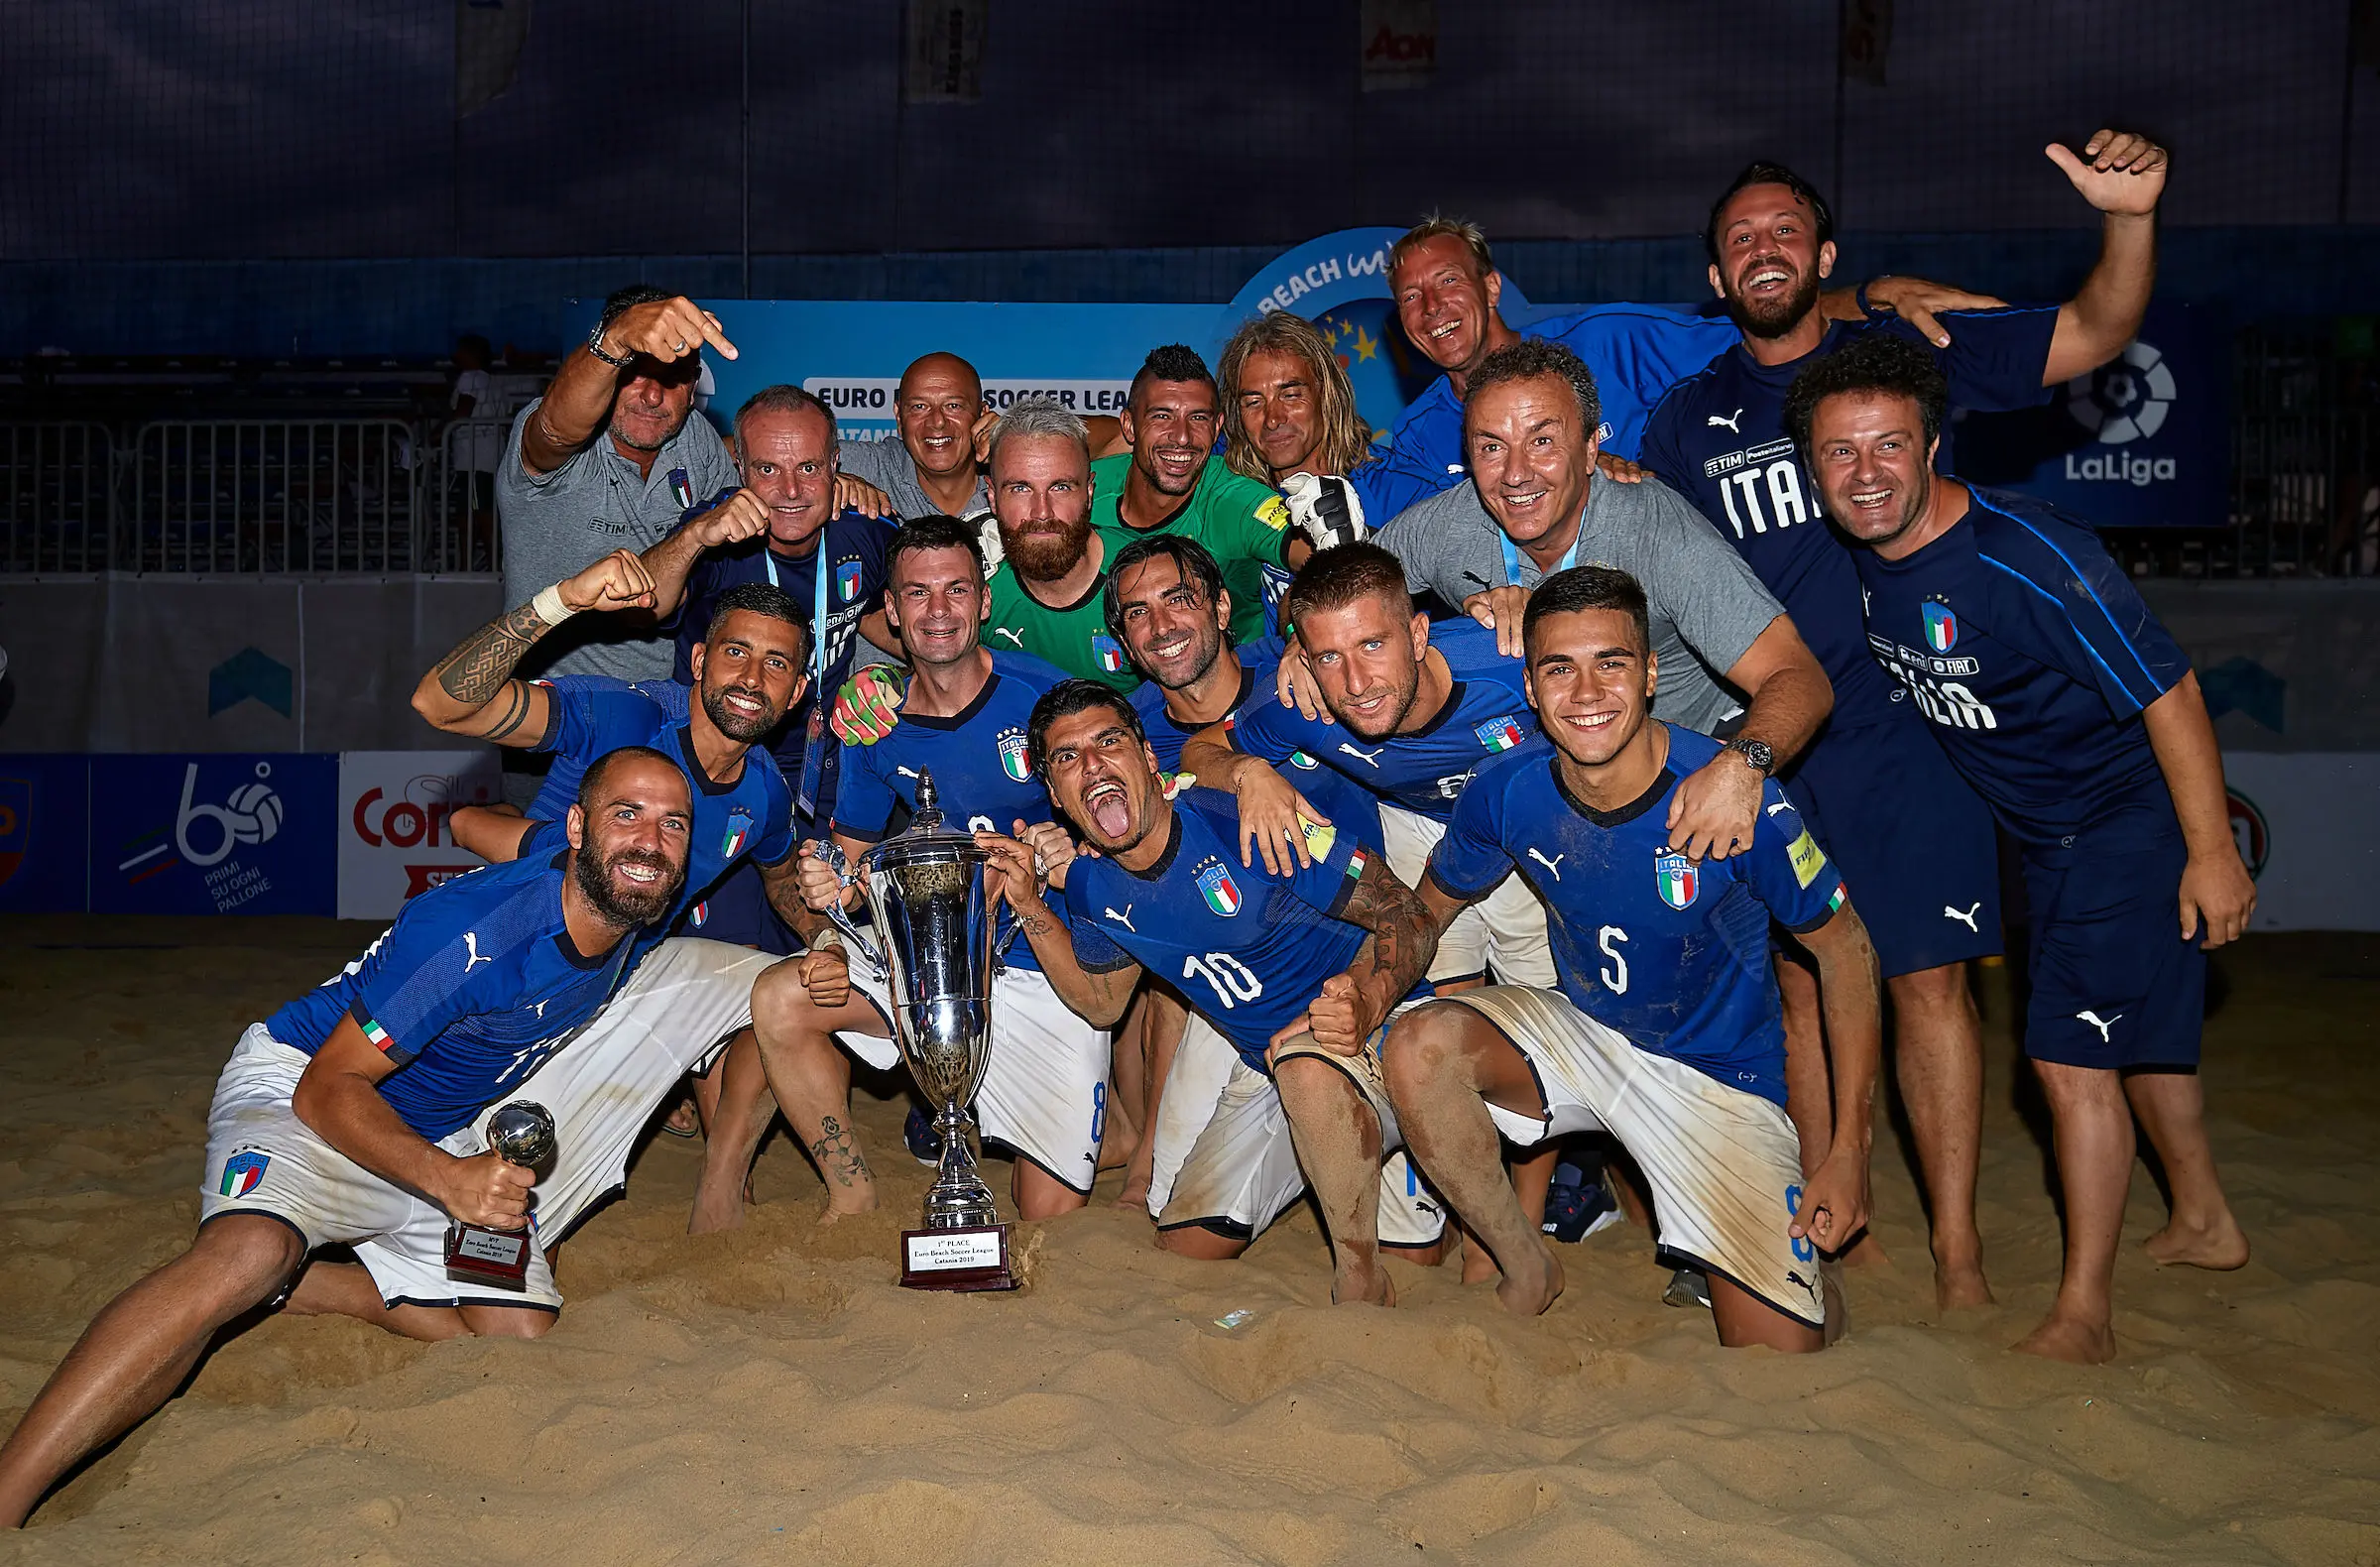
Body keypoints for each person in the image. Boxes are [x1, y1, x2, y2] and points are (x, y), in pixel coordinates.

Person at [1635, 131, 2170, 1309]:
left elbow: (2094, 332)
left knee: (1931, 983)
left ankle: (1959, 1254)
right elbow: (1655, 564)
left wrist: (2128, 221)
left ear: (1824, 254)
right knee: (1799, 984)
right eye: (1740, 241)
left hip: (1899, 728)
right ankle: (1840, 1215)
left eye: (1785, 231)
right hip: (1764, 732)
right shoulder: (1684, 421)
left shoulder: (1903, 352)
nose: (1762, 250)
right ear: (1717, 281)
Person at [0, 748, 776, 1527]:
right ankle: (11, 1494)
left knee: (514, 1337)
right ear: (577, 829)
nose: (649, 841)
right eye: (626, 815)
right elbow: (326, 1087)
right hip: (311, 1089)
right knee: (246, 1252)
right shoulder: (473, 934)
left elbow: (502, 832)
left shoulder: (633, 901)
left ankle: (304, 1287)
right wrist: (449, 1178)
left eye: (671, 823)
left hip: (431, 1129)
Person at [1791, 334, 2251, 1364]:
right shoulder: (1867, 560)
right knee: (2134, 1030)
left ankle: (2084, 1310)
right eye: (1840, 453)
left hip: (2124, 819)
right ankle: (2206, 1216)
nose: (1866, 472)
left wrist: (2210, 846)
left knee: (2065, 1057)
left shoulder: (2028, 557)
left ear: (1934, 445)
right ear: (1811, 468)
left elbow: (2170, 687)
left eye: (1888, 445)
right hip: (2043, 834)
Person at [1387, 565, 1880, 1352]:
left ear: (1650, 674)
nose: (1585, 692)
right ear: (1531, 684)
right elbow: (1424, 915)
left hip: (1720, 1082)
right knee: (1417, 1045)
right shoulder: (1507, 790)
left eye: (1610, 663)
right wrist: (1352, 988)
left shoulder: (1734, 797)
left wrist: (1849, 1152)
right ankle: (1521, 1259)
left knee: (1780, 1353)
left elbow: (1848, 953)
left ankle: (1778, 1259)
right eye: (1559, 668)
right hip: (1589, 1044)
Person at [410, 559, 815, 1234]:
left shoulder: (766, 791)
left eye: (775, 664)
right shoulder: (621, 711)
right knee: (501, 1251)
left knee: (787, 989)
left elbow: (777, 873)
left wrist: (827, 931)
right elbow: (441, 705)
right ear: (698, 659)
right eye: (736, 652)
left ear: (798, 690)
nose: (750, 678)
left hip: (615, 980)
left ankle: (722, 1187)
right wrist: (557, 600)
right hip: (506, 982)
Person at [1022, 681, 1444, 1304]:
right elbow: (1105, 1004)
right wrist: (1032, 905)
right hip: (1268, 1068)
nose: (1092, 766)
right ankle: (1327, 1155)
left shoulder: (1238, 817)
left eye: (1109, 743)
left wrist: (1366, 996)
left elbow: (1406, 913)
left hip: (1379, 1027)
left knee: (1419, 1257)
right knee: (1183, 1249)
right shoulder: (1088, 887)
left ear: (1146, 754)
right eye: (1067, 758)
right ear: (1055, 795)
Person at [748, 516, 1106, 1222]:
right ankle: (851, 1190)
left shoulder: (1046, 699)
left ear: (983, 600)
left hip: (1040, 969)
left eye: (955, 591)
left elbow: (1122, 816)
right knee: (780, 996)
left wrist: (1072, 846)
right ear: (891, 610)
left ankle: (1075, 1115)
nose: (937, 612)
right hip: (927, 970)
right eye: (917, 593)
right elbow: (847, 863)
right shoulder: (871, 723)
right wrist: (829, 895)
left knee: (1049, 1210)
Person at [1375, 341, 1833, 866]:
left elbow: (1798, 676)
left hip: (1687, 769)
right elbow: (1332, 596)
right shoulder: (1448, 526)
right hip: (1554, 781)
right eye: (1491, 447)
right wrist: (1305, 646)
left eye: (1543, 441)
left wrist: (1741, 766)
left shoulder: (1653, 529)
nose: (1516, 474)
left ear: (1592, 448)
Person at [1104, 534, 1389, 1211]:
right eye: (1138, 613)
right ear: (1123, 639)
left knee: (1412, 1249)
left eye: (1179, 600)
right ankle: (1150, 1163)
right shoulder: (1129, 739)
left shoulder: (1298, 674)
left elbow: (1374, 628)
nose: (1163, 626)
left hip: (1366, 944)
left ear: (1223, 606)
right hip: (1241, 978)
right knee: (1170, 1211)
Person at [1363, 217, 1994, 519]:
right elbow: (1345, 518)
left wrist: (1868, 296)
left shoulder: (1609, 343)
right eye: (1411, 297)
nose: (1432, 308)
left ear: (1491, 287)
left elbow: (1764, 329)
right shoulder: (1420, 437)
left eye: (1448, 282)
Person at [496, 286, 742, 689]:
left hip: (659, 707)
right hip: (549, 705)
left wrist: (838, 482)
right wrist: (614, 339)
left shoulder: (697, 440)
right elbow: (555, 431)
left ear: (694, 384)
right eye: (633, 371)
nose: (652, 394)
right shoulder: (561, 436)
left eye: (674, 377)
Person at [1090, 345, 1315, 646]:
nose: (1182, 437)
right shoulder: (1087, 487)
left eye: (1198, 418)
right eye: (1162, 416)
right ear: (1129, 426)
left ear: (1217, 426)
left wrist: (1300, 638)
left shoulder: (1233, 502)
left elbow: (1324, 556)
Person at [978, 398, 1139, 690]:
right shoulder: (973, 586)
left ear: (1089, 492)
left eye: (1060, 487)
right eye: (1020, 488)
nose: (1042, 512)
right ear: (992, 496)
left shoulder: (1146, 573)